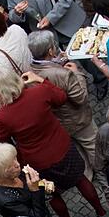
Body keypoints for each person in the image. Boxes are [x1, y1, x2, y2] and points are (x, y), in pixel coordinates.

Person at [0, 69, 105, 217]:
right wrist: (40, 79)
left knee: (53, 194)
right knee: (81, 180)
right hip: (63, 148)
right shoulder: (39, 92)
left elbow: (3, 141)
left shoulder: (1, 116)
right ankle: (101, 212)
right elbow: (61, 97)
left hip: (38, 164)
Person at [26, 31, 100, 170]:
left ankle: (88, 175)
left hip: (60, 122)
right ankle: (103, 174)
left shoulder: (30, 71)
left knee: (78, 150)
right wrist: (77, 73)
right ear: (50, 50)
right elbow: (81, 98)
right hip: (78, 120)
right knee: (93, 147)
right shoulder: (63, 74)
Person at [0, 142, 62, 217]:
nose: (17, 164)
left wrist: (42, 184)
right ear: (1, 173)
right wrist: (35, 190)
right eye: (10, 165)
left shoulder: (15, 174)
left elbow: (33, 187)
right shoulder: (4, 200)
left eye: (15, 158)